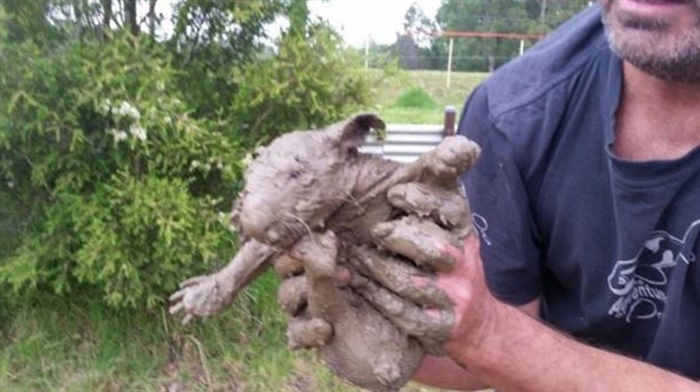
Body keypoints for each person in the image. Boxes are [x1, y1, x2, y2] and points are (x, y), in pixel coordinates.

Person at [408, 0, 700, 390]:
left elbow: (497, 338)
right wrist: (361, 304)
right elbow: (483, 340)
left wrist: (491, 336)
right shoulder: (512, 115)